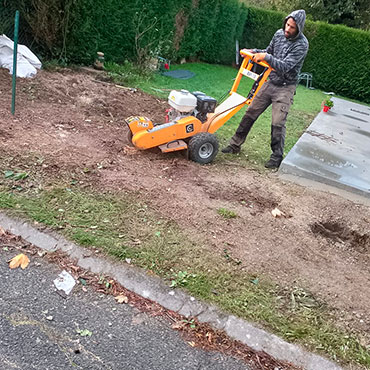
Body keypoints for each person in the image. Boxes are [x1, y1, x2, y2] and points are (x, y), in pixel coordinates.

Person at [222, 9, 309, 169]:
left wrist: (266, 57)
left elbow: (285, 66)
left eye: (292, 28)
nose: (288, 30)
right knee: (250, 113)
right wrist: (253, 52)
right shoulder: (278, 34)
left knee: (278, 122)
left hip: (285, 87)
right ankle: (234, 145)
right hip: (270, 82)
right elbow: (268, 52)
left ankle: (276, 157)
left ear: (299, 29)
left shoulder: (302, 45)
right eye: (287, 25)